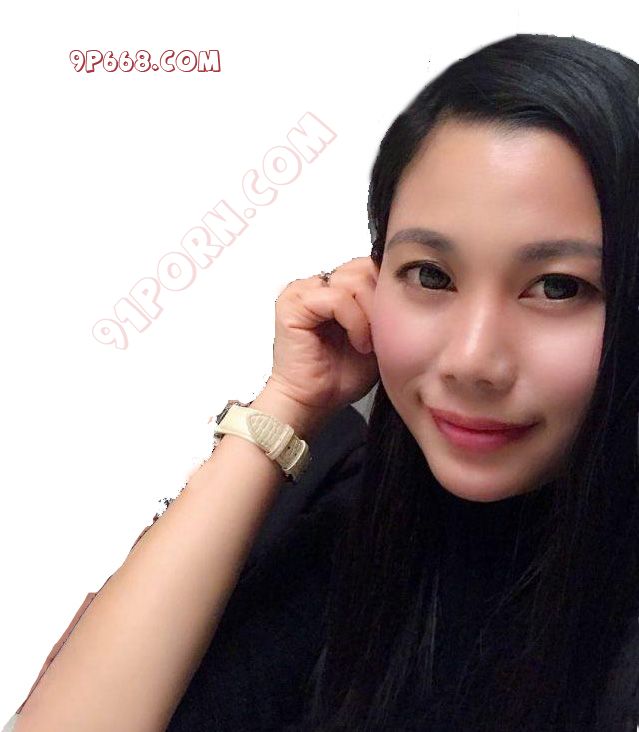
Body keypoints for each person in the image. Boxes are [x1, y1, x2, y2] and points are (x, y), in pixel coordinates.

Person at [9, 31, 639, 731]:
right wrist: (286, 404)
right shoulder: (337, 498)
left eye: (557, 287)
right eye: (430, 275)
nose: (470, 359)